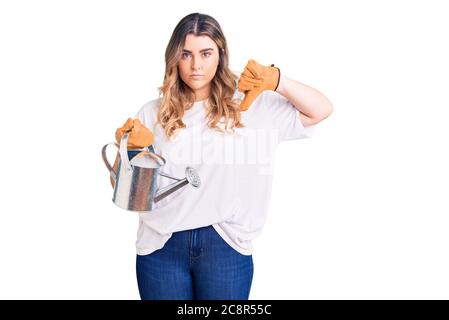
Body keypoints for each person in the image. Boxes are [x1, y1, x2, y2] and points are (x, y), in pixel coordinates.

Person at [111, 12, 333, 300]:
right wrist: (130, 151)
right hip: (161, 246)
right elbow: (123, 188)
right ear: (174, 58)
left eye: (206, 53)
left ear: (221, 55)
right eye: (186, 54)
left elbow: (321, 110)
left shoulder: (252, 104)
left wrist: (277, 80)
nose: (196, 65)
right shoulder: (153, 113)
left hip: (225, 245)